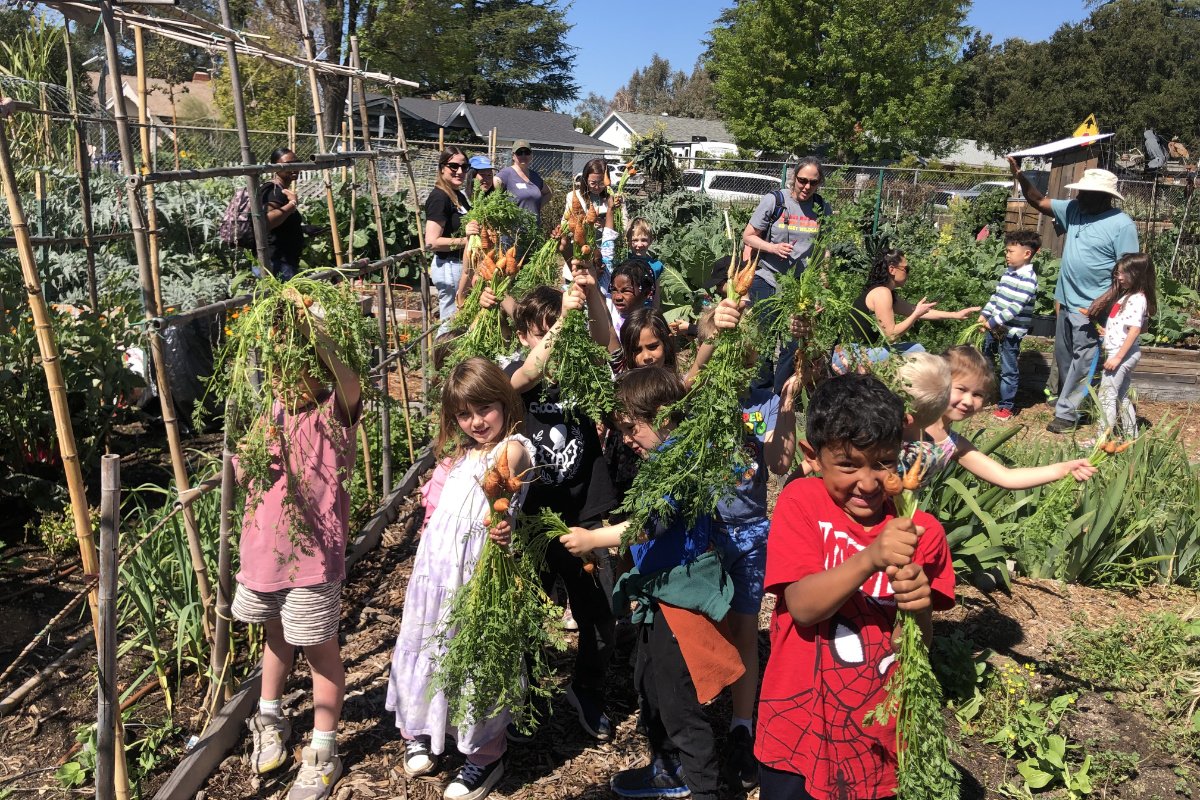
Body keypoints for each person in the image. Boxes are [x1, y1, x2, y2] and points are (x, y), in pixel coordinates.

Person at [756, 373, 956, 799]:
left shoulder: (923, 531)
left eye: (883, 462)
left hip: (876, 732)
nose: (867, 482)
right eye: (848, 464)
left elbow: (914, 647)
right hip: (797, 728)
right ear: (813, 456)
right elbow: (803, 607)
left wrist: (919, 607)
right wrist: (869, 558)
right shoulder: (802, 503)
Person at [559, 367, 735, 800]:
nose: (627, 439)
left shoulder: (682, 462)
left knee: (678, 703)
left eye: (631, 427)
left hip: (681, 599)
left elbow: (649, 524)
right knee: (650, 685)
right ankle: (667, 768)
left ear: (665, 415)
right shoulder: (661, 459)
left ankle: (704, 789)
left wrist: (593, 538)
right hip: (659, 594)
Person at [232, 290, 363, 800]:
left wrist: (312, 324)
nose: (286, 377)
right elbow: (250, 480)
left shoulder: (333, 414)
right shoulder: (272, 413)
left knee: (319, 652)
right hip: (264, 558)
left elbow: (348, 377)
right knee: (275, 638)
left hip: (311, 563)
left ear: (318, 369)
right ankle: (270, 719)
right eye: (278, 366)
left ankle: (324, 748)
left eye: (297, 365)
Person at [386, 357, 533, 800]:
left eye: (485, 409)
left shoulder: (512, 448)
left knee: (477, 657)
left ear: (505, 403)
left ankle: (485, 756)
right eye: (465, 415)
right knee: (430, 646)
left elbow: (512, 470)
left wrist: (503, 516)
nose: (476, 422)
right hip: (436, 574)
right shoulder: (457, 456)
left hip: (478, 575)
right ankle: (422, 730)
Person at [505, 278, 619, 742]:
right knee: (532, 609)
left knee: (602, 609)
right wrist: (564, 320)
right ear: (523, 336)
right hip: (534, 513)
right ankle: (527, 694)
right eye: (542, 329)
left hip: (586, 510)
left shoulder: (582, 371)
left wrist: (589, 294)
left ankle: (587, 690)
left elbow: (606, 342)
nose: (553, 336)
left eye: (558, 326)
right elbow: (528, 373)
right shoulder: (515, 374)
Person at [692, 305, 799, 791]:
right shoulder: (697, 396)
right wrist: (714, 332)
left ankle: (741, 726)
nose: (739, 361)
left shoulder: (761, 406)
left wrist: (789, 407)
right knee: (703, 626)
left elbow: (779, 463)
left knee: (742, 625)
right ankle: (690, 718)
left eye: (746, 351)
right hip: (706, 532)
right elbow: (692, 377)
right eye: (727, 348)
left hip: (752, 531)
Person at [1008, 158, 1140, 433]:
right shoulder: (1074, 209)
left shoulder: (1121, 224)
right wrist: (1020, 175)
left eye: (1084, 192)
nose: (1077, 195)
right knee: (1065, 355)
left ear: (1103, 197)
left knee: (1084, 359)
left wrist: (1103, 301)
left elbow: (1129, 272)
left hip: (1092, 306)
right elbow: (1039, 202)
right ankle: (1073, 402)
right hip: (1067, 300)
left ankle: (1067, 415)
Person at [905, 346, 1096, 489]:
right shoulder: (909, 421)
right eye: (961, 389)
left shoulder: (953, 444)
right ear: (940, 382)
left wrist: (1062, 469)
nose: (968, 401)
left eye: (978, 394)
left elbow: (1006, 477)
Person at [742, 156, 832, 390]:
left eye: (813, 182)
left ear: (819, 183)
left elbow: (824, 250)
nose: (806, 186)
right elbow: (748, 235)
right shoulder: (775, 201)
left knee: (793, 345)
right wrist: (772, 247)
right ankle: (759, 393)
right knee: (763, 341)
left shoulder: (822, 208)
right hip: (767, 278)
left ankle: (781, 395)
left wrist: (822, 284)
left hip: (800, 289)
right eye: (802, 180)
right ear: (794, 177)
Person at [839, 248, 981, 370]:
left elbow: (916, 311)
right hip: (849, 356)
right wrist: (915, 316)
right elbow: (891, 336)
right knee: (917, 351)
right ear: (892, 269)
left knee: (916, 351)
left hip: (856, 352)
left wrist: (955, 315)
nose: (908, 273)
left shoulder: (885, 293)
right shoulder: (882, 293)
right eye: (906, 269)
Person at [1088, 252, 1156, 442]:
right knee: (1121, 397)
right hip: (1123, 352)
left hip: (1121, 355)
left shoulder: (1136, 299)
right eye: (1117, 273)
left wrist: (1117, 357)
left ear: (1137, 274)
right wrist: (1107, 332)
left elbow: (1134, 331)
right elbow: (1128, 327)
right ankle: (1130, 436)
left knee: (1106, 396)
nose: (1118, 277)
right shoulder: (1130, 296)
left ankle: (1102, 440)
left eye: (1122, 274)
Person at [980, 230, 1042, 420]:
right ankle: (987, 394)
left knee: (1008, 368)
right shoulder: (1008, 273)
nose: (1006, 255)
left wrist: (992, 321)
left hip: (1011, 331)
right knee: (986, 359)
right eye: (1006, 251)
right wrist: (985, 313)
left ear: (1026, 254)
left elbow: (1015, 308)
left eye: (1010, 251)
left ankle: (1006, 405)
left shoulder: (1028, 279)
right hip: (996, 327)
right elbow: (997, 297)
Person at [426, 147, 481, 334]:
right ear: (442, 168)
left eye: (464, 167)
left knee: (461, 319)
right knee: (450, 323)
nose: (460, 171)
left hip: (461, 266)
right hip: (449, 266)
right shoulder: (439, 197)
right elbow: (431, 242)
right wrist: (464, 240)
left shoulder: (458, 195)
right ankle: (443, 361)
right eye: (453, 166)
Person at [262, 148, 305, 280]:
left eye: (296, 163)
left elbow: (283, 225)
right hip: (277, 262)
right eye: (288, 164)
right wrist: (292, 204)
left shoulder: (281, 190)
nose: (294, 168)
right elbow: (267, 221)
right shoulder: (274, 191)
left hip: (283, 260)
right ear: (276, 168)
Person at [494, 140, 550, 222]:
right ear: (513, 156)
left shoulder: (535, 176)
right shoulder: (506, 174)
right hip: (514, 230)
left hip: (534, 229)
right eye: (519, 153)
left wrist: (536, 207)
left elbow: (548, 193)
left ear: (531, 155)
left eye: (526, 152)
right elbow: (495, 183)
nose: (523, 155)